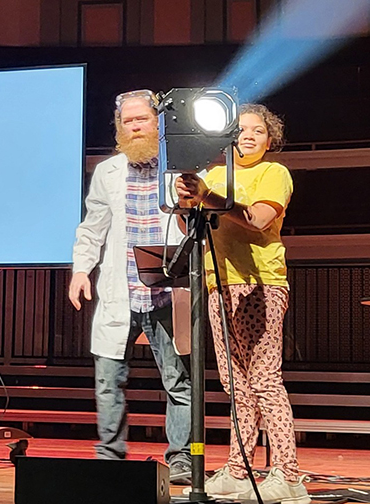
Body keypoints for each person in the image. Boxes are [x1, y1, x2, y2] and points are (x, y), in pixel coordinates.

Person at [175, 104, 308, 503]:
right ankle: (239, 469)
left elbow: (257, 219)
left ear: (270, 140)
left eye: (258, 131)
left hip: (260, 284)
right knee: (235, 384)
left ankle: (289, 474)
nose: (248, 136)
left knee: (264, 380)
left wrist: (208, 196)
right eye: (241, 129)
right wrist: (186, 201)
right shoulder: (213, 174)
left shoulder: (273, 173)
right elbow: (190, 224)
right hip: (219, 284)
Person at [70, 89, 193, 484]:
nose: (135, 126)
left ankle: (181, 459)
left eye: (142, 119)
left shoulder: (183, 169)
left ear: (157, 122)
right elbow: (93, 227)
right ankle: (110, 455)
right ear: (120, 127)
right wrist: (80, 271)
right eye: (128, 121)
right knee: (108, 381)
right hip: (120, 289)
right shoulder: (108, 171)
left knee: (178, 381)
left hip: (166, 291)